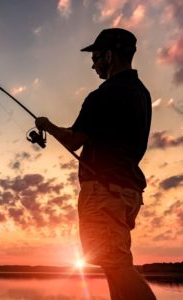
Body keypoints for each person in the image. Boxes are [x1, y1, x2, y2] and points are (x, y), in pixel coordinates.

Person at [35, 28, 156, 300]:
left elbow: (73, 141)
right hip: (127, 193)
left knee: (117, 265)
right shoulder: (141, 94)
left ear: (110, 55)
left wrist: (47, 125)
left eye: (96, 56)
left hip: (104, 193)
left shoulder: (103, 95)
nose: (92, 64)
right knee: (113, 265)